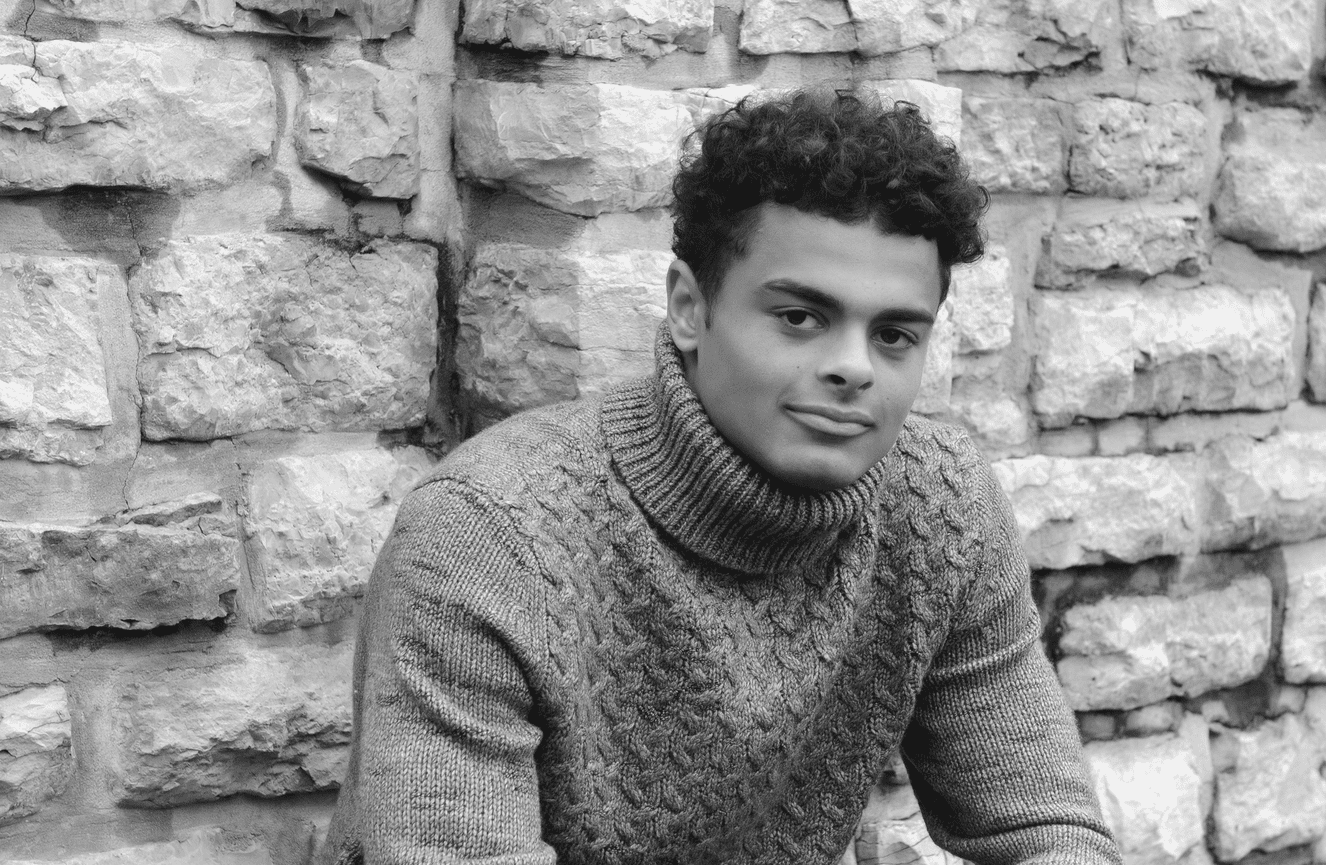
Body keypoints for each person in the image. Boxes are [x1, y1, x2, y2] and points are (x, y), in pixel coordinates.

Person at [320, 88, 1120, 865]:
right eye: (800, 317)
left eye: (894, 335)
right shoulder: (488, 537)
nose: (852, 368)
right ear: (688, 307)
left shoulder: (940, 507)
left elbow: (1047, 828)